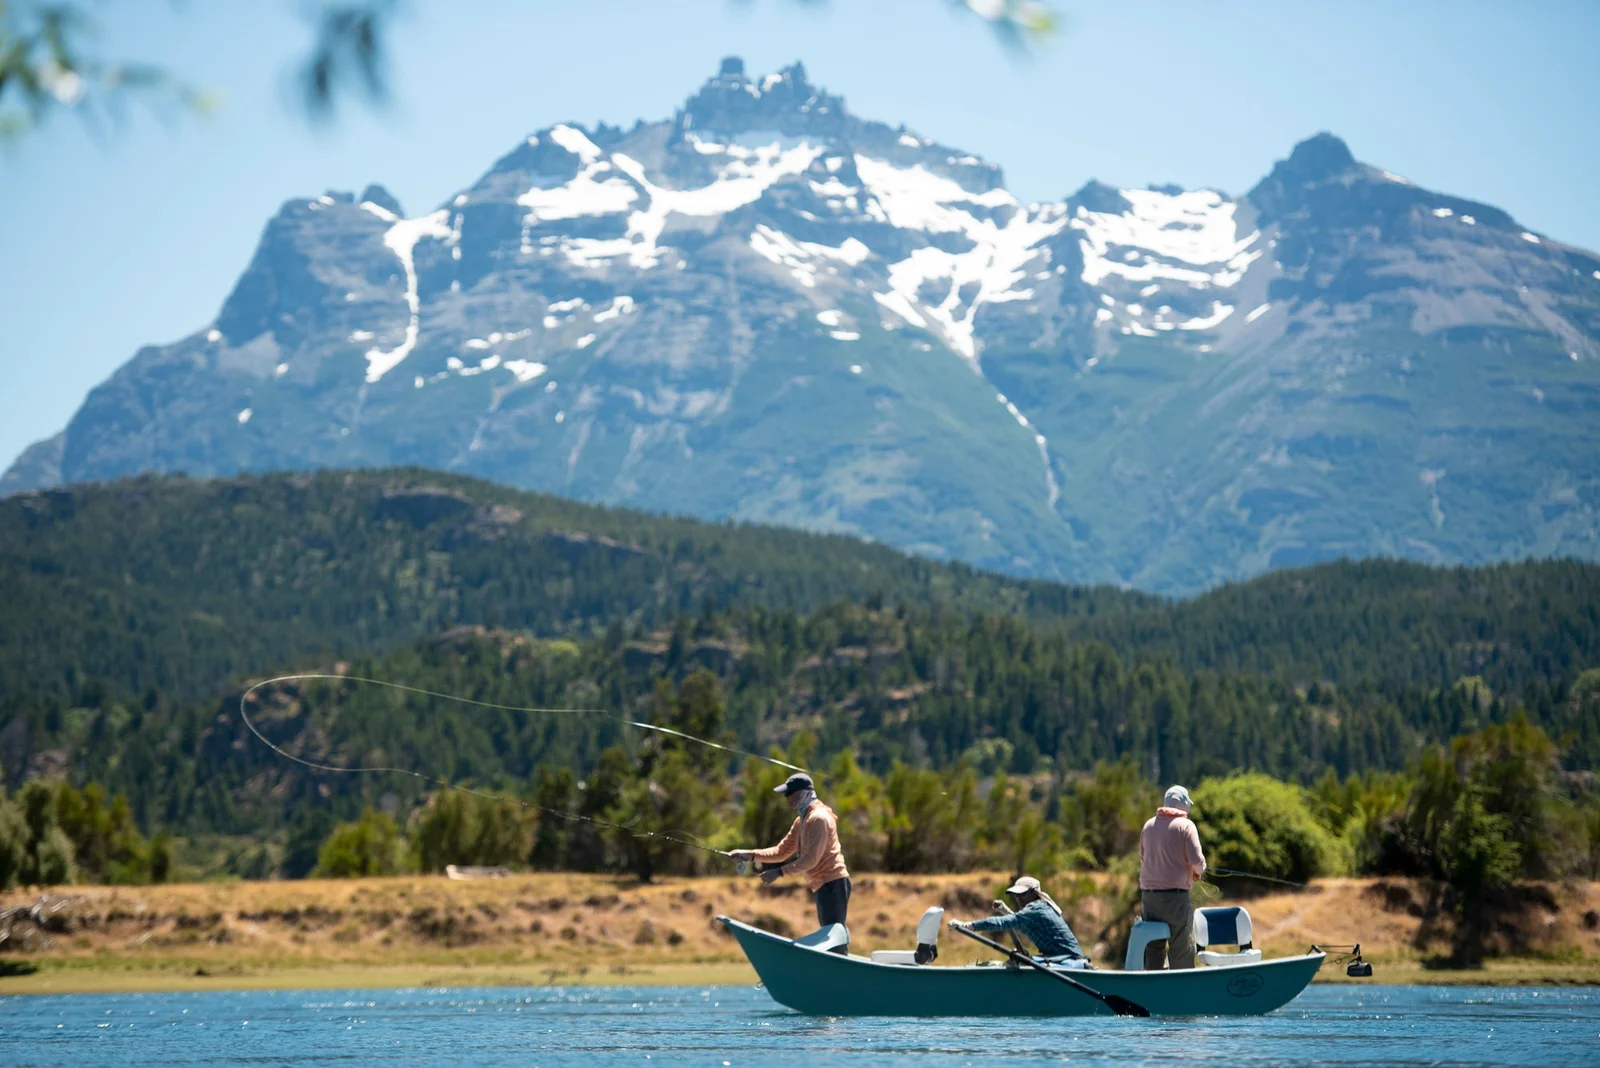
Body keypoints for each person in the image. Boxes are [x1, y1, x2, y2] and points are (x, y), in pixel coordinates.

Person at [729, 772, 852, 952]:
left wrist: (779, 872)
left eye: (790, 793)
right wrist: (749, 854)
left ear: (804, 793)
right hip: (823, 885)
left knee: (834, 942)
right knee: (831, 938)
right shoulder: (801, 820)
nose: (786, 798)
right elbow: (782, 851)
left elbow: (811, 859)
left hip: (833, 884)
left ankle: (843, 977)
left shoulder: (818, 818)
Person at [1138, 784, 1207, 970]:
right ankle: (1182, 989)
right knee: (1182, 948)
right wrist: (1198, 872)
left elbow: (1143, 858)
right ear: (1183, 804)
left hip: (1149, 897)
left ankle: (1153, 986)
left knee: (1153, 947)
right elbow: (1197, 861)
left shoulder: (1148, 825)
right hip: (1175, 898)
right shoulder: (1186, 826)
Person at [949, 875, 1088, 964]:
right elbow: (1021, 926)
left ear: (1034, 893)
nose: (1019, 898)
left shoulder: (1037, 908)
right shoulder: (1036, 910)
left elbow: (1005, 923)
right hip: (1058, 960)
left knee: (1014, 964)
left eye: (1023, 894)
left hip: (1069, 962)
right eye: (1016, 895)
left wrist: (969, 925)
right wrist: (1005, 911)